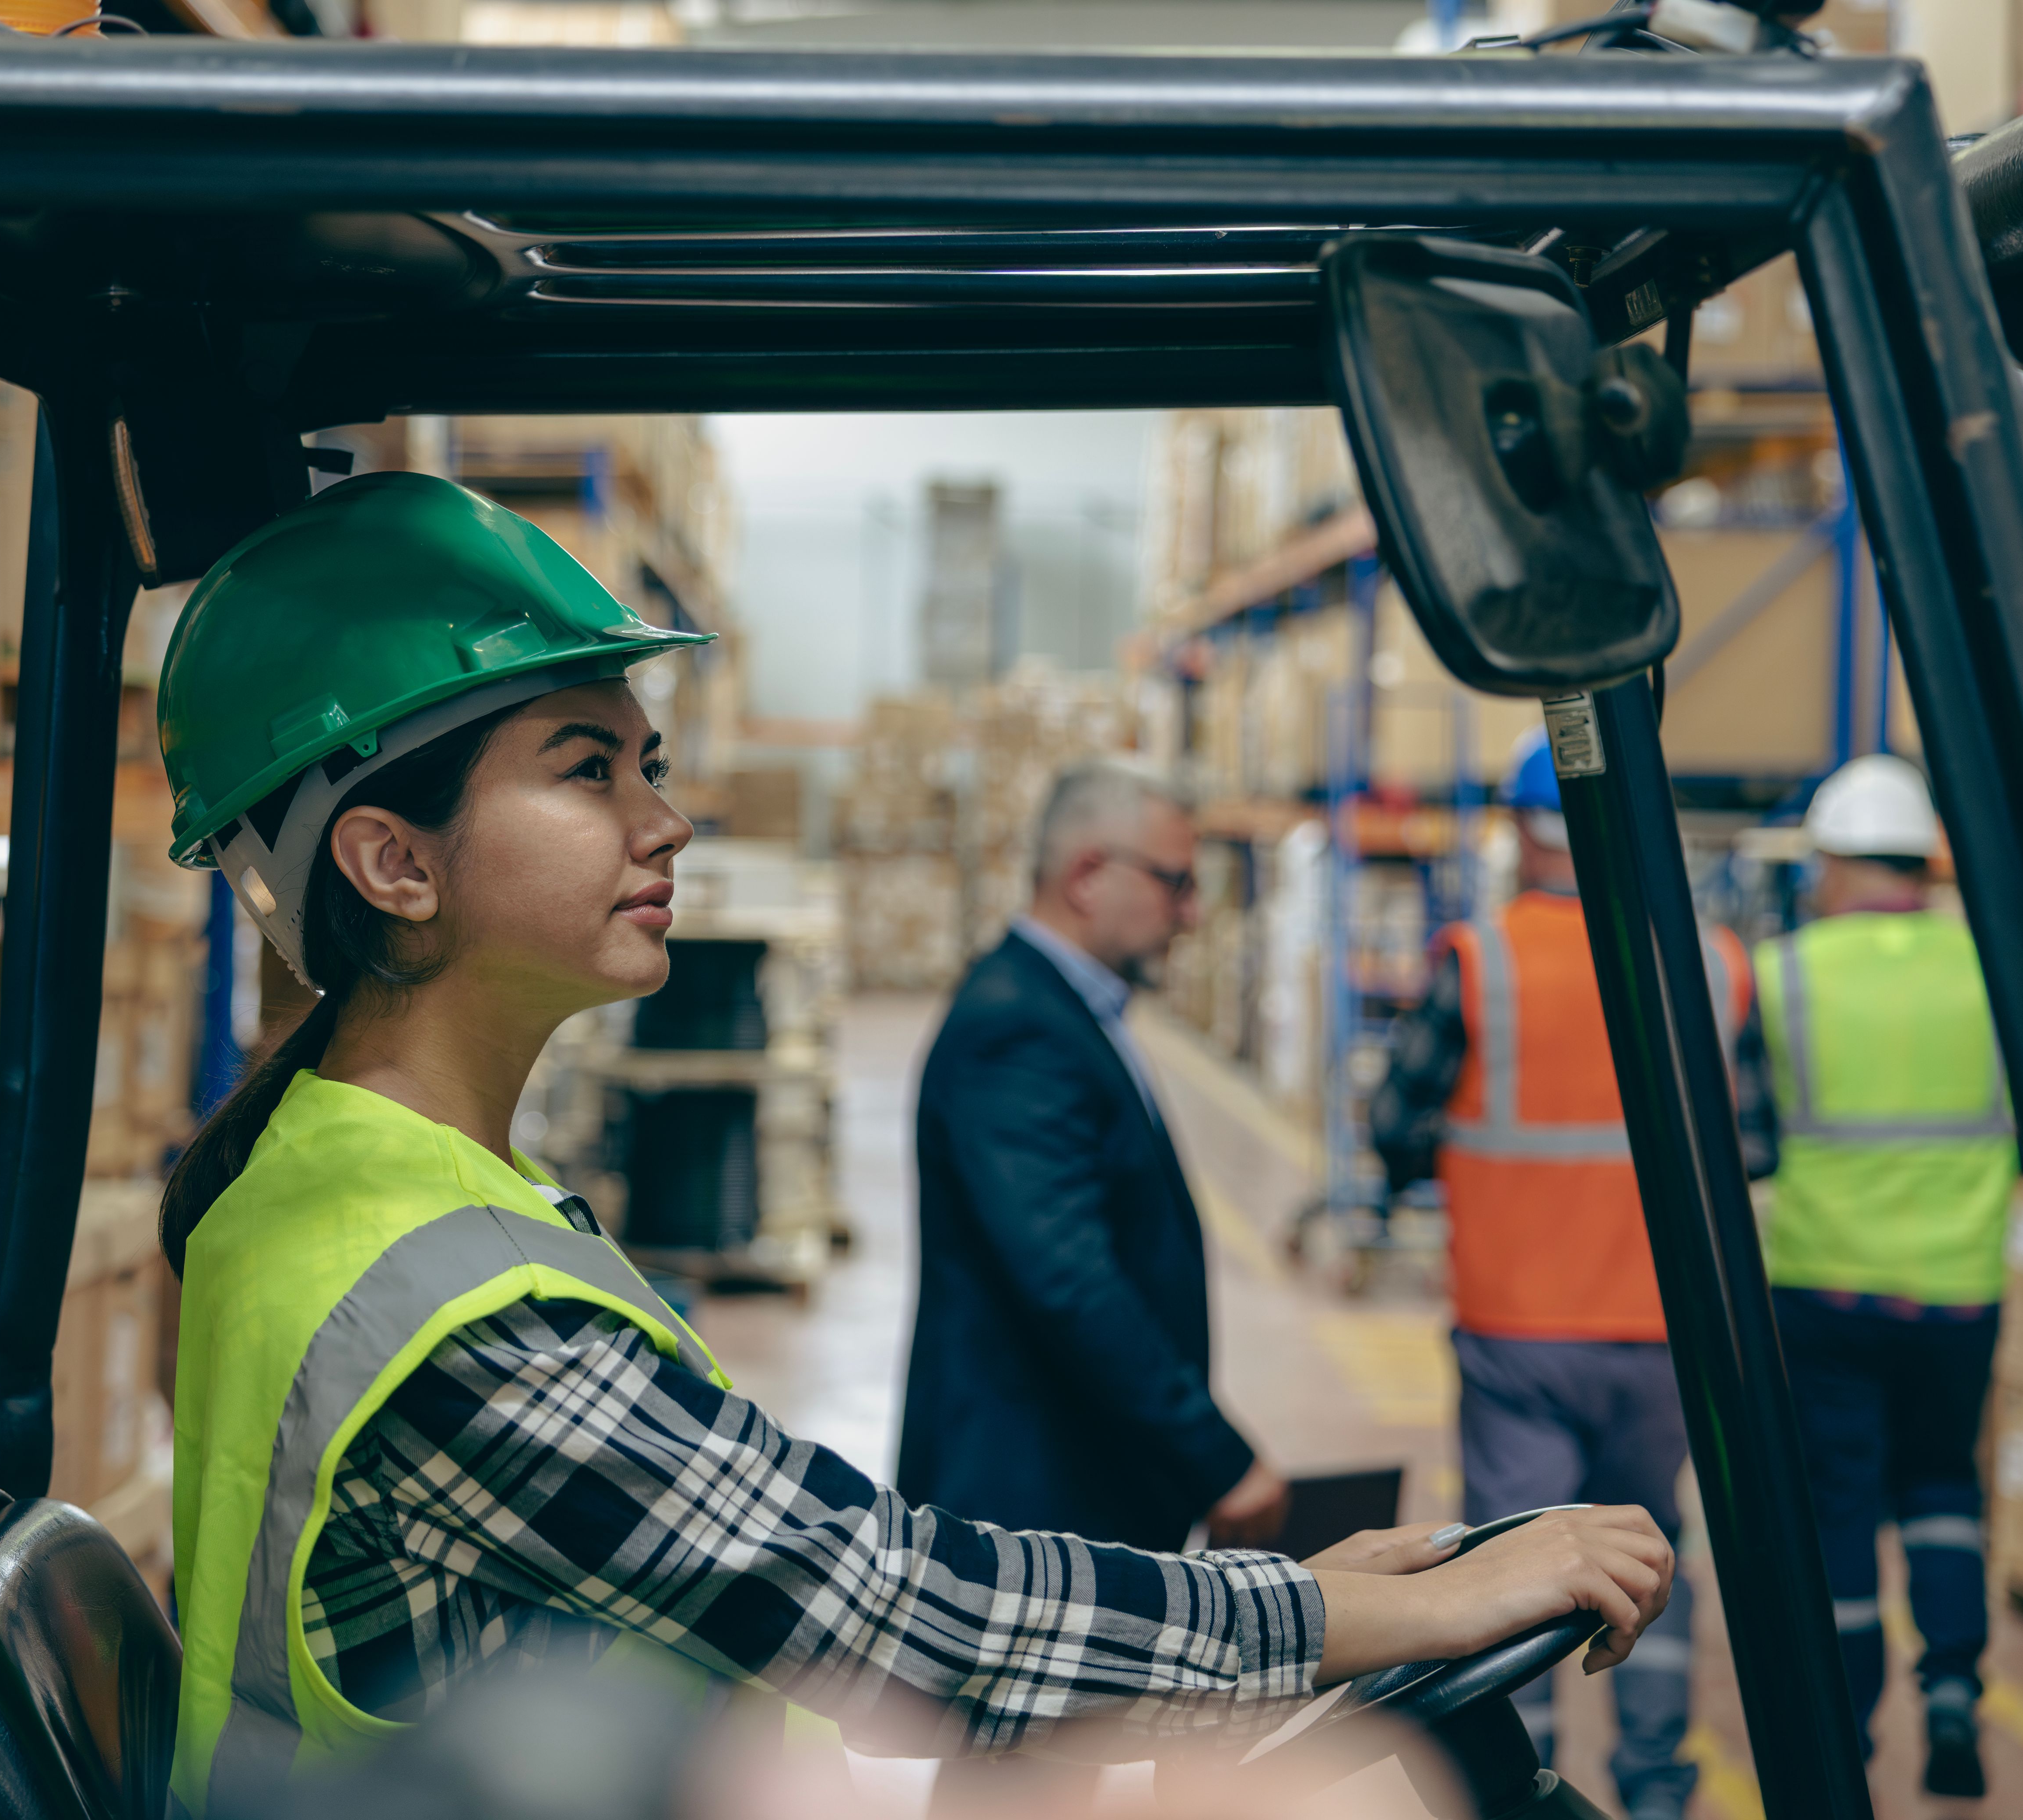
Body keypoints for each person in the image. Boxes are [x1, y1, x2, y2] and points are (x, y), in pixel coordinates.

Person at [154, 471, 1677, 1816]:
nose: (663, 820)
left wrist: (1299, 1599)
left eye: (650, 763)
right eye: (584, 768)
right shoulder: (443, 1309)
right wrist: (1347, 1618)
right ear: (391, 862)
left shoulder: (345, 1181)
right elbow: (896, 1616)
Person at [1369, 728, 1751, 1820]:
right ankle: (1654, 1780)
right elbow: (1755, 1144)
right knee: (1649, 1548)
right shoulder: (1711, 962)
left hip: (1517, 1326)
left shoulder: (1478, 959)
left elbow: (1396, 1123)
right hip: (1662, 1332)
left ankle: (1523, 1786)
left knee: (1521, 1558)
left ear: (1520, 832)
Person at [896, 760, 1287, 1556]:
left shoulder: (1066, 1008)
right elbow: (1070, 1279)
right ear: (1085, 876)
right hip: (1029, 1505)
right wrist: (1216, 1458)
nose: (1192, 912)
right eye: (1175, 883)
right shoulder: (1017, 1031)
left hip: (1073, 1487)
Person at [1739, 754, 2012, 1798]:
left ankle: (1844, 1731)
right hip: (1954, 1290)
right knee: (1943, 1490)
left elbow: (1748, 1138)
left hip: (1823, 1285)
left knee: (1837, 1510)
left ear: (1838, 864)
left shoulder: (1784, 973)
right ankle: (1952, 1691)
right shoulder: (1991, 965)